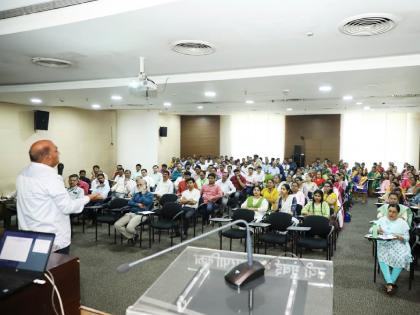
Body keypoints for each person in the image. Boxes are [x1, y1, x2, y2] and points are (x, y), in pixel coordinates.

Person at [16, 140, 101, 254]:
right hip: (52, 238)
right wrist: (89, 198)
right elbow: (68, 207)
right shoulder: (51, 177)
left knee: (37, 270)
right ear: (47, 156)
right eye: (56, 150)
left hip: (29, 235)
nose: (58, 153)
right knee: (56, 270)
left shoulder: (22, 174)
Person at [370, 204, 412, 294]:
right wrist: (377, 230)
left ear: (398, 213)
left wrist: (401, 237)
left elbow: (407, 238)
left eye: (394, 212)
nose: (391, 214)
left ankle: (390, 283)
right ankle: (390, 283)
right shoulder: (382, 220)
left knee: (402, 257)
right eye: (390, 211)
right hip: (384, 243)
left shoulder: (402, 222)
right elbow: (371, 230)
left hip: (398, 243)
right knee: (382, 254)